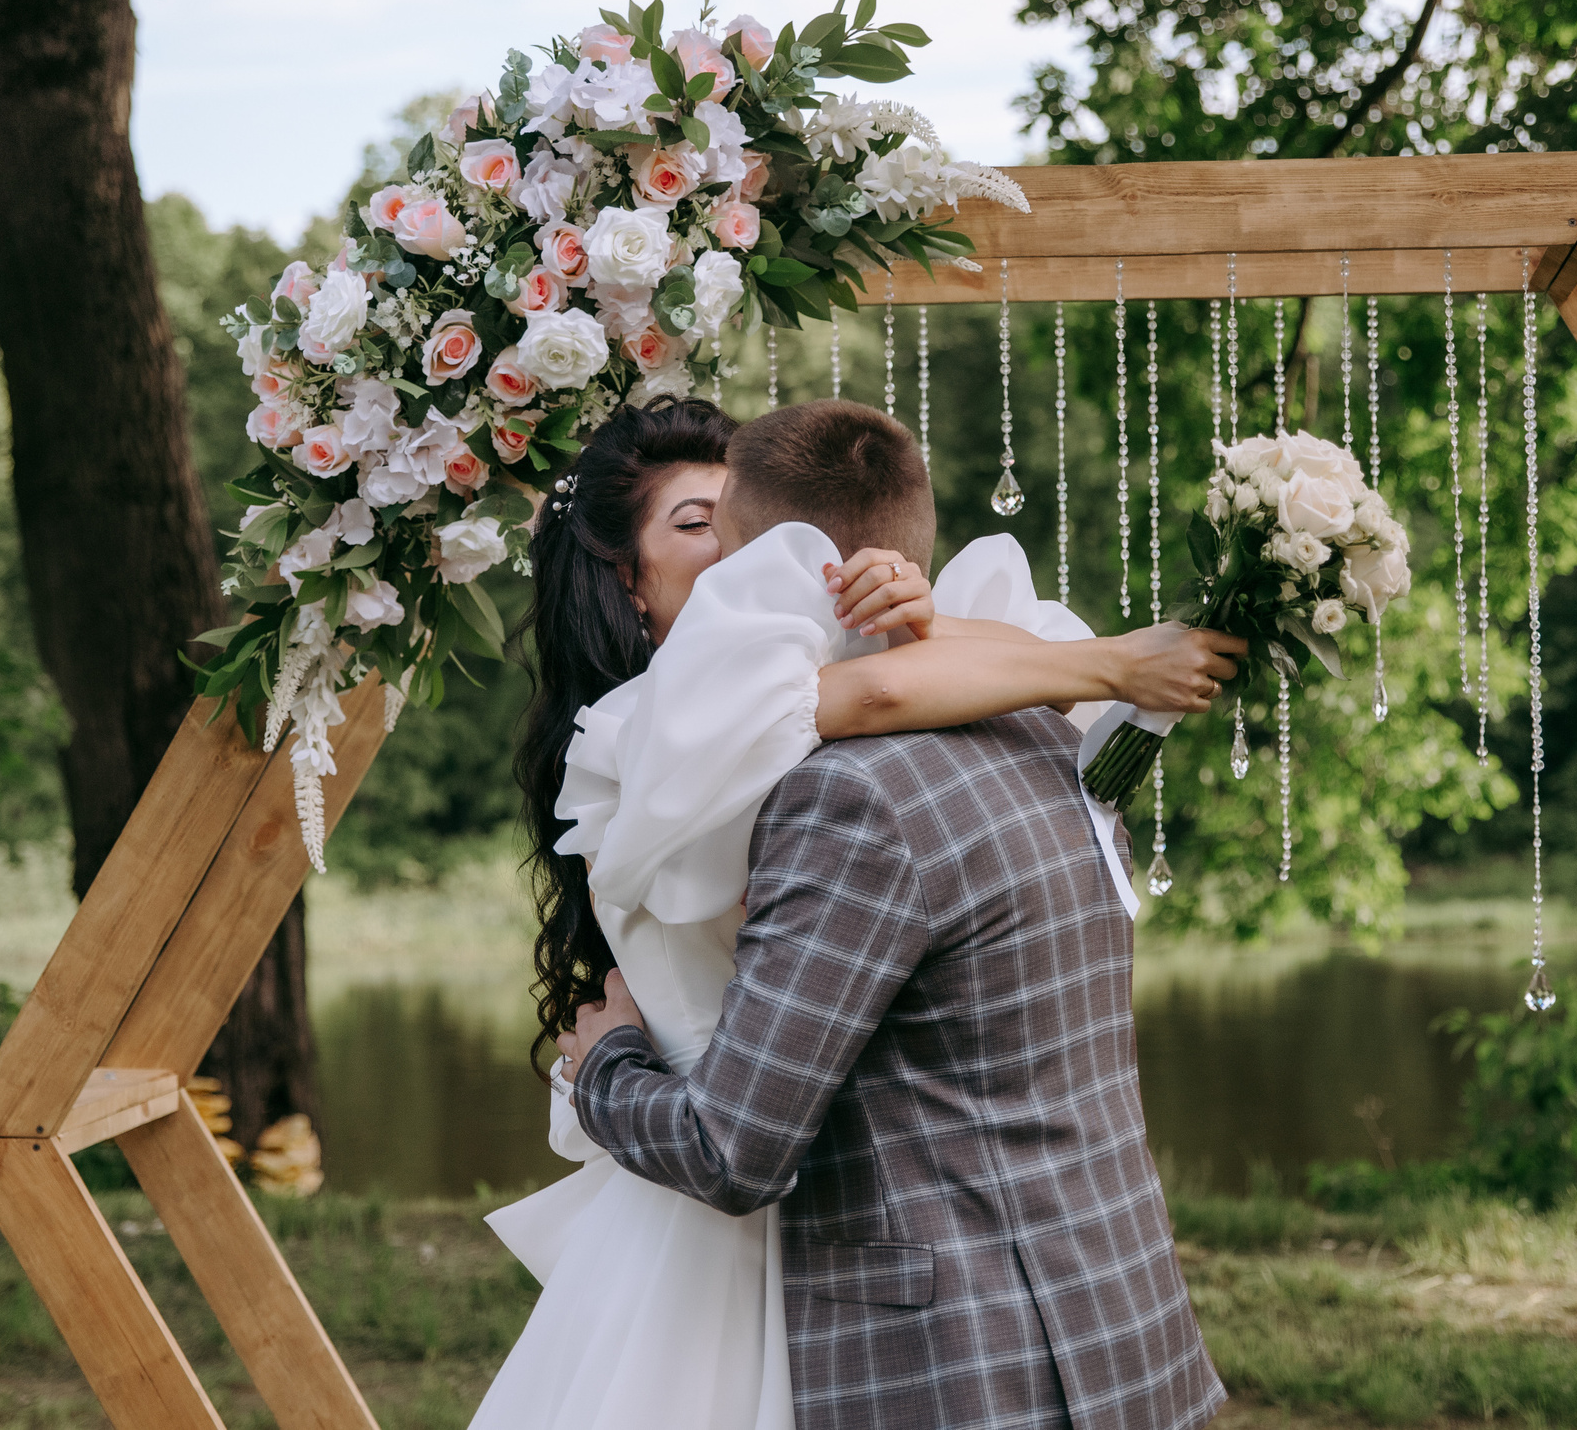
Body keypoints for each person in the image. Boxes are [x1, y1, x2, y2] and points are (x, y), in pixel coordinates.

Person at [473, 396, 1237, 1430]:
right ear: (625, 583)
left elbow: (732, 1146)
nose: (752, 556)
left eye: (732, 517)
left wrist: (603, 1059)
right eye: (693, 524)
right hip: (1065, 1301)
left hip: (931, 1314)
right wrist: (1086, 661)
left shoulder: (860, 784)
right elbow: (838, 703)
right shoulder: (655, 747)